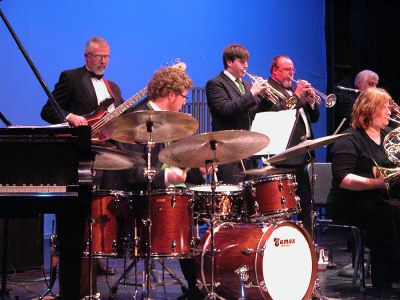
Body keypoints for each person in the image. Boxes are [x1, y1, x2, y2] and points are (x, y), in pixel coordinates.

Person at [101, 67, 205, 300]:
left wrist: (201, 166)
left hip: (170, 193)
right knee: (183, 215)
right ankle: (195, 286)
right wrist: (167, 177)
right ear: (170, 95)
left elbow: (182, 164)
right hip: (139, 197)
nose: (184, 102)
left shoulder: (174, 124)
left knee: (198, 212)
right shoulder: (136, 121)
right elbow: (133, 172)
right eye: (183, 97)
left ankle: (197, 287)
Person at [41, 36, 121, 299]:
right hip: (78, 158)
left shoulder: (113, 88)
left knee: (99, 212)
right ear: (86, 56)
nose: (103, 61)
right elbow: (47, 110)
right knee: (75, 219)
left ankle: (96, 257)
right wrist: (70, 117)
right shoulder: (71, 77)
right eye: (99, 56)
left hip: (105, 158)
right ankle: (72, 284)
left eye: (107, 56)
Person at [327, 88, 400, 296]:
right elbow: (343, 179)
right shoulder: (349, 139)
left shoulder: (388, 135)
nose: (389, 112)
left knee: (388, 211)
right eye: (385, 108)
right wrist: (375, 183)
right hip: (349, 202)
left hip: (379, 198)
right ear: (369, 110)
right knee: (384, 216)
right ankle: (383, 284)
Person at [265, 55, 319, 234]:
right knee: (283, 205)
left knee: (307, 203)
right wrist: (297, 95)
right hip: (286, 156)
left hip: (305, 154)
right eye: (288, 70)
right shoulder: (269, 88)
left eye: (293, 70)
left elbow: (314, 118)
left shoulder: (292, 92)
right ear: (275, 71)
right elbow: (278, 112)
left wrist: (311, 101)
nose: (292, 74)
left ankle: (309, 241)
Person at [206, 44, 272, 184]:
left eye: (247, 61)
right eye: (242, 61)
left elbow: (256, 115)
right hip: (229, 153)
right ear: (229, 62)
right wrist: (252, 93)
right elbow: (226, 109)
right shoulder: (216, 84)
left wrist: (266, 99)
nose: (246, 66)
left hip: (249, 151)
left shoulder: (247, 85)